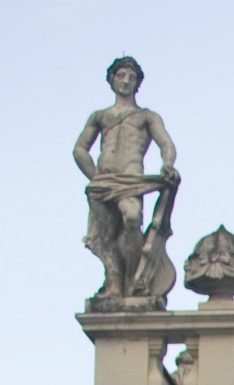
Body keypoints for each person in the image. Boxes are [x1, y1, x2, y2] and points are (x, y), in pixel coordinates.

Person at [74, 57, 179, 309]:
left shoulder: (146, 116)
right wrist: (95, 176)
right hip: (103, 180)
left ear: (137, 83)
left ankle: (132, 278)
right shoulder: (100, 116)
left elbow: (166, 143)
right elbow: (79, 149)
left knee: (132, 217)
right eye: (121, 76)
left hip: (131, 178)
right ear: (112, 80)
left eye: (131, 77)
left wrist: (167, 165)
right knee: (106, 234)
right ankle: (114, 283)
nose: (126, 81)